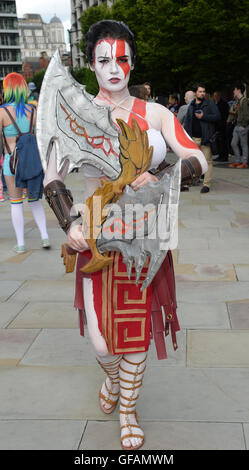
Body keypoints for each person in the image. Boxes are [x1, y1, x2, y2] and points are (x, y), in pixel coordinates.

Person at [42, 20, 207, 450]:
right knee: (101, 341)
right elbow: (52, 177)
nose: (113, 68)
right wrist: (69, 225)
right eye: (103, 60)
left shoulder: (155, 115)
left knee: (133, 335)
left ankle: (128, 408)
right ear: (91, 65)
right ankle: (114, 382)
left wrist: (160, 174)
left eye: (121, 58)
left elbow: (198, 158)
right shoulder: (75, 113)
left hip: (142, 238)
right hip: (93, 236)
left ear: (132, 62)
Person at [0, 73, 50, 253]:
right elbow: (40, 138)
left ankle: (21, 243)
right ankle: (45, 236)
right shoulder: (33, 111)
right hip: (31, 162)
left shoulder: (2, 112)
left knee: (15, 202)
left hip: (11, 162)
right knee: (35, 200)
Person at [184, 83, 220, 193]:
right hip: (193, 139)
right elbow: (187, 122)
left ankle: (206, 185)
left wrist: (203, 116)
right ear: (195, 93)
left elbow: (218, 116)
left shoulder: (210, 104)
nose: (202, 93)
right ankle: (189, 182)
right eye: (200, 91)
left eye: (203, 91)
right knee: (192, 162)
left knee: (208, 162)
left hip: (205, 138)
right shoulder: (191, 105)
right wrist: (186, 137)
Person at [229, 82, 249, 169]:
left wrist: (244, 125)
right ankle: (238, 160)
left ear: (238, 90)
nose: (233, 91)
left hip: (242, 125)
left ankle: (244, 162)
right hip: (237, 125)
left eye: (234, 89)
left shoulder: (244, 101)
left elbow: (247, 114)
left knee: (243, 144)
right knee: (233, 143)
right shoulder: (239, 101)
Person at [213, 91, 229, 162]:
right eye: (214, 96)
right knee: (219, 141)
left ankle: (224, 156)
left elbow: (224, 114)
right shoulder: (215, 103)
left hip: (222, 125)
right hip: (217, 125)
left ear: (219, 96)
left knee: (223, 141)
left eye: (216, 96)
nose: (215, 98)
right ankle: (220, 155)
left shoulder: (223, 104)